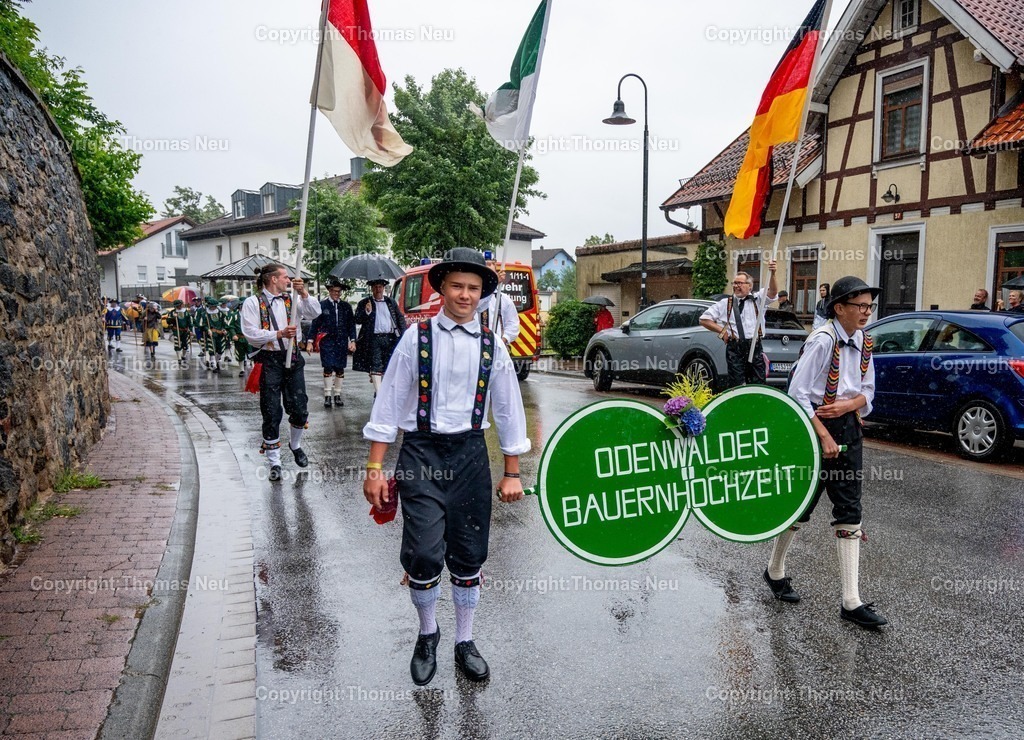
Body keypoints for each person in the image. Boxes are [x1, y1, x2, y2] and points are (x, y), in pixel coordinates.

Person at [363, 248, 529, 686]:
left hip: (471, 454)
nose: (465, 295)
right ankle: (427, 633)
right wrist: (375, 467)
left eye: (474, 288)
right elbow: (389, 403)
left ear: (483, 295)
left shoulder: (494, 347)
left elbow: (509, 410)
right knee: (422, 553)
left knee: (470, 553)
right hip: (421, 453)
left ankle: (465, 640)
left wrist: (512, 471)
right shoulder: (414, 339)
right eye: (457, 285)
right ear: (440, 289)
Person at [763, 275, 886, 630]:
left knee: (850, 509)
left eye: (869, 306)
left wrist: (853, 403)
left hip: (847, 424)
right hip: (814, 426)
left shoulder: (864, 340)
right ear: (839, 308)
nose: (866, 312)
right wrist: (821, 434)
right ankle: (775, 571)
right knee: (802, 505)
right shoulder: (822, 341)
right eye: (860, 306)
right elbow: (798, 393)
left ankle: (851, 601)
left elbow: (869, 391)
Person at [241, 264, 322, 481]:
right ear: (273, 279)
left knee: (299, 407)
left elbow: (315, 312)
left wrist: (304, 293)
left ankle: (295, 445)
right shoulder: (252, 302)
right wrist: (278, 333)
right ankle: (274, 461)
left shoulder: (293, 299)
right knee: (271, 411)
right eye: (286, 276)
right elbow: (250, 333)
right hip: (269, 360)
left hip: (293, 358)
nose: (290, 279)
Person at [699, 259, 778, 388]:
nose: (736, 286)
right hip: (735, 348)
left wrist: (773, 273)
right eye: (734, 283)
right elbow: (704, 319)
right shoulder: (725, 303)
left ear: (749, 286)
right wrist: (722, 331)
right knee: (737, 385)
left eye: (740, 283)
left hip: (755, 346)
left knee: (758, 384)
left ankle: (755, 406)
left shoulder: (758, 299)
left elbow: (773, 292)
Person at [310, 279, 357, 407]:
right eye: (334, 291)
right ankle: (327, 396)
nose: (337, 293)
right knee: (328, 366)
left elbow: (351, 325)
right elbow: (315, 325)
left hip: (341, 341)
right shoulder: (322, 305)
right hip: (327, 341)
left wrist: (353, 340)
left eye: (339, 291)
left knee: (340, 368)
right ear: (329, 291)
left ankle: (337, 395)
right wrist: (310, 341)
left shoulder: (346, 307)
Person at [353, 279, 405, 396]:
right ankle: (379, 393)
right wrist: (367, 311)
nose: (378, 289)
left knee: (389, 364)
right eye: (375, 287)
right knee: (376, 364)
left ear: (384, 288)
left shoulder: (390, 302)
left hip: (390, 337)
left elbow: (399, 318)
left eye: (380, 287)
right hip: (373, 338)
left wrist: (404, 334)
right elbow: (357, 319)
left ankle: (385, 391)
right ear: (372, 288)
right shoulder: (365, 302)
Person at [478, 265, 520, 347]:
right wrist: (491, 284)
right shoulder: (473, 298)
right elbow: (478, 307)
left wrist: (503, 340)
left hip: (496, 347)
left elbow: (513, 325)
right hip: (476, 346)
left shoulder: (504, 299)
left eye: (491, 274)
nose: (488, 277)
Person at [199, 296, 229, 372]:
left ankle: (215, 361)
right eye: (212, 306)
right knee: (212, 349)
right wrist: (207, 329)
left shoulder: (220, 313)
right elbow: (202, 324)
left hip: (220, 334)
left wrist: (224, 329)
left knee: (220, 350)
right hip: (211, 334)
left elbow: (225, 322)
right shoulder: (204, 314)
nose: (214, 307)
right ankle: (214, 365)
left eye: (215, 306)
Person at [167, 299, 193, 364]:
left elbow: (189, 322)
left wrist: (191, 330)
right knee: (177, 344)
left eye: (180, 305)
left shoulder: (186, 312)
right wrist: (173, 317)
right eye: (177, 306)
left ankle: (183, 356)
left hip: (185, 331)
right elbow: (168, 321)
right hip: (176, 331)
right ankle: (179, 358)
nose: (179, 307)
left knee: (185, 345)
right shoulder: (173, 312)